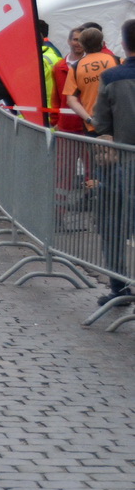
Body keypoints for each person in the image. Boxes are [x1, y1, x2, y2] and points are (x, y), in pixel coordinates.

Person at [90, 19, 135, 307]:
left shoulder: (112, 77)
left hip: (122, 163)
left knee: (114, 225)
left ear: (124, 43)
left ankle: (119, 286)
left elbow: (101, 122)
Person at [67, 27, 117, 135]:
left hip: (94, 125)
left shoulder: (76, 68)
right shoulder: (116, 61)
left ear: (82, 45)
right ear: (102, 43)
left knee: (98, 152)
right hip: (117, 122)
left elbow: (71, 100)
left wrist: (89, 119)